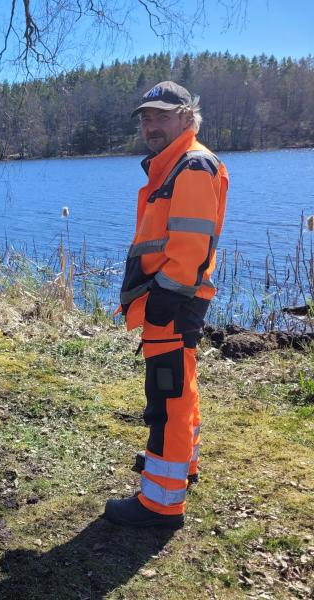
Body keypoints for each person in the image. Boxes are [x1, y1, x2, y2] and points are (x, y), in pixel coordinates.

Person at [104, 81, 229, 528]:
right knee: (180, 388)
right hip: (175, 300)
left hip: (173, 302)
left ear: (187, 117)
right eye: (145, 118)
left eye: (161, 116)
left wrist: (164, 298)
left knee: (167, 398)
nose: (151, 125)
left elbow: (191, 247)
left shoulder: (192, 165)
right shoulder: (175, 165)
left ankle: (160, 504)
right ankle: (183, 465)